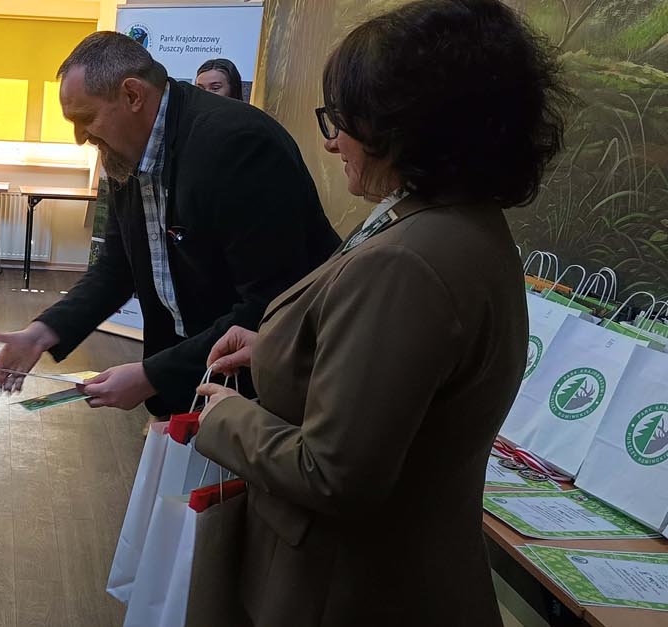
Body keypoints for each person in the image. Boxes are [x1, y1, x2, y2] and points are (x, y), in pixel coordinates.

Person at [186, 1, 568, 625]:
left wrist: (225, 417)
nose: (331, 140)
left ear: (405, 126)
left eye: (343, 120)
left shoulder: (407, 261)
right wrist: (282, 349)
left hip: (348, 589)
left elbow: (333, 473)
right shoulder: (456, 223)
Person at [0, 32, 338, 416]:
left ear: (133, 95)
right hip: (194, 377)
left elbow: (271, 303)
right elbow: (117, 267)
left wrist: (152, 375)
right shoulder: (124, 151)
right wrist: (42, 333)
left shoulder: (237, 144)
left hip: (264, 388)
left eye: (86, 119)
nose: (80, 138)